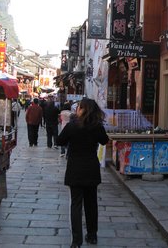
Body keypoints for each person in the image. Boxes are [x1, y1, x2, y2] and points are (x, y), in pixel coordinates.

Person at [56, 98, 109, 248]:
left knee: (76, 204)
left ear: (84, 109)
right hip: (91, 168)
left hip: (75, 169)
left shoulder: (72, 125)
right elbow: (104, 140)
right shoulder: (97, 126)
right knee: (91, 203)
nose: (77, 109)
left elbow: (59, 141)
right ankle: (92, 235)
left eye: (79, 107)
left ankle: (76, 241)